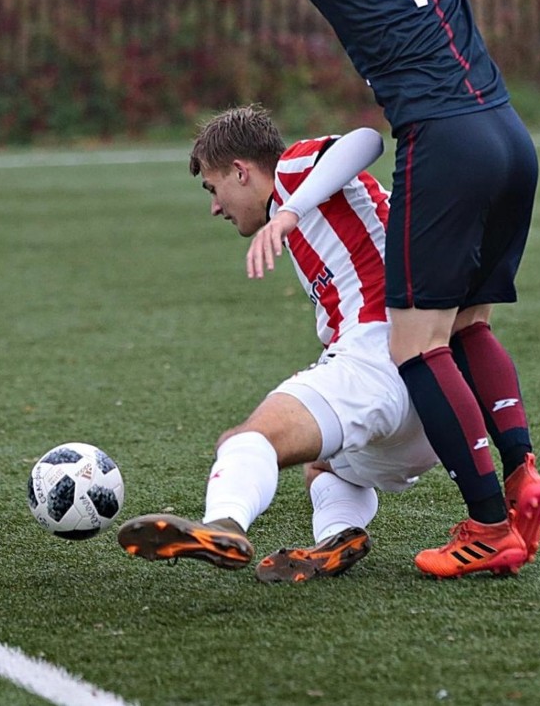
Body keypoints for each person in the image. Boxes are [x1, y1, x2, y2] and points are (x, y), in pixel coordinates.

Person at [188, 0, 540, 578]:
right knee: (470, 325)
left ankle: (490, 524)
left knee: (417, 342)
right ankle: (523, 468)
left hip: (443, 139)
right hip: (507, 130)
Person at [117, 104, 440, 583]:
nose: (214, 207)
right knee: (327, 467)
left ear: (242, 172)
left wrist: (287, 212)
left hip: (379, 359)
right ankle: (339, 533)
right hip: (430, 406)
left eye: (214, 188)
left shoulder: (293, 170)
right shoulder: (327, 210)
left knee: (247, 441)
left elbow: (366, 139)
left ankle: (223, 523)